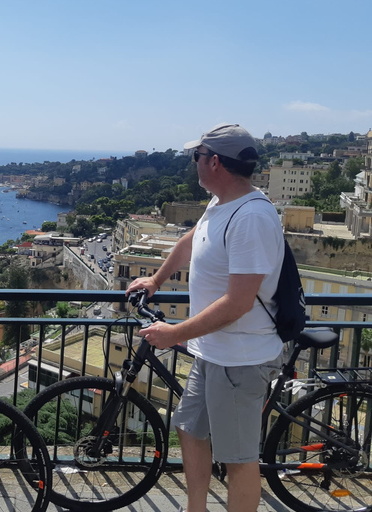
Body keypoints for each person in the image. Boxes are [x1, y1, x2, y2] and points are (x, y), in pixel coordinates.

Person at [125, 124, 284, 512]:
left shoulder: (252, 217)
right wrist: (157, 279)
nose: (193, 163)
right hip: (214, 353)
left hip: (240, 358)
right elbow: (191, 240)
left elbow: (238, 303)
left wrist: (173, 332)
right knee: (189, 428)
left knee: (238, 459)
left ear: (214, 162)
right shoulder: (222, 203)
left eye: (196, 157)